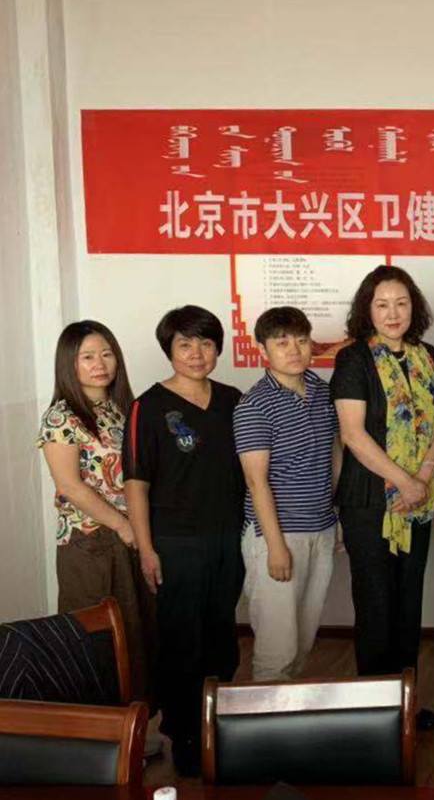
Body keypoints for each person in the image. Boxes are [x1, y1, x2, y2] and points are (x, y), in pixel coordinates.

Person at [123, 305, 245, 776]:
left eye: (206, 344)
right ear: (169, 350)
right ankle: (185, 734)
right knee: (181, 640)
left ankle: (217, 723)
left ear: (218, 348)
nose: (197, 354)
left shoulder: (234, 400)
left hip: (227, 537)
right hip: (175, 542)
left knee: (222, 636)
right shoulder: (148, 406)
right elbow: (136, 483)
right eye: (185, 344)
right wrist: (146, 548)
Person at [332, 265, 434, 732]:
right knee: (376, 606)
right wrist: (405, 481)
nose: (393, 313)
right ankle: (375, 714)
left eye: (401, 303)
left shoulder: (426, 355)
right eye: (382, 304)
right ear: (367, 310)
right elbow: (353, 435)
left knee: (408, 604)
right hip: (369, 502)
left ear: (414, 307)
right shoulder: (354, 359)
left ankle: (406, 702)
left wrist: (425, 475)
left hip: (419, 500)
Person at [36, 321, 157, 707]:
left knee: (134, 634)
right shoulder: (62, 417)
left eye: (106, 354)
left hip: (130, 537)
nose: (100, 364)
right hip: (89, 543)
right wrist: (122, 525)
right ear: (68, 364)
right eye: (87, 357)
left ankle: (132, 724)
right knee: (96, 639)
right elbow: (70, 485)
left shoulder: (121, 409)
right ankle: (94, 726)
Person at [234, 307, 339, 682]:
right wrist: (276, 546)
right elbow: (256, 481)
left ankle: (290, 713)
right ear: (263, 350)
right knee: (277, 648)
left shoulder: (324, 392)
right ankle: (268, 720)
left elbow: (334, 455)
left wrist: (334, 517)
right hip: (277, 536)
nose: (294, 349)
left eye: (301, 340)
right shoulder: (254, 405)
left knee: (304, 640)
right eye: (281, 342)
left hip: (321, 529)